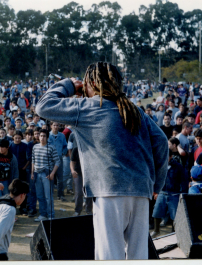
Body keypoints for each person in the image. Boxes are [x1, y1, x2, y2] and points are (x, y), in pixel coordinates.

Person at [36, 62, 168, 260]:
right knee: (139, 256)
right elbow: (162, 142)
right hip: (141, 190)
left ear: (89, 82)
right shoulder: (134, 110)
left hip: (110, 191)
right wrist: (156, 184)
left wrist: (69, 85)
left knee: (109, 256)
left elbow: (43, 106)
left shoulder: (86, 108)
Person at [151, 150, 187, 238]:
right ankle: (156, 230)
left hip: (174, 194)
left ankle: (174, 232)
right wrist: (155, 191)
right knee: (156, 212)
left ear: (171, 156)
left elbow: (184, 181)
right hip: (162, 192)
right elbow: (155, 179)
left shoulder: (178, 167)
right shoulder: (159, 165)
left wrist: (183, 194)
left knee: (174, 215)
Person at [31, 129, 60, 221]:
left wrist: (52, 173)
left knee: (48, 196)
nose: (42, 138)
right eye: (41, 136)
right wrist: (32, 173)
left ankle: (51, 215)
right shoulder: (35, 147)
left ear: (47, 137)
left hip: (46, 174)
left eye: (44, 136)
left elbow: (57, 161)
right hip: (37, 173)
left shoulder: (51, 147)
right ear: (38, 137)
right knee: (40, 196)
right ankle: (43, 214)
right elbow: (33, 161)